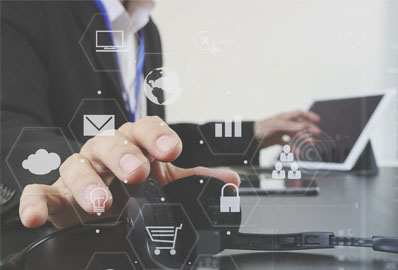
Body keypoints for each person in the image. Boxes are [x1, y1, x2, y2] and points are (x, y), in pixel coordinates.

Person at [0, 0, 321, 228]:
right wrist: (90, 175)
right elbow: (9, 127)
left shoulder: (146, 29)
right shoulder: (25, 8)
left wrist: (251, 132)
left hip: (134, 240)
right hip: (56, 253)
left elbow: (158, 150)